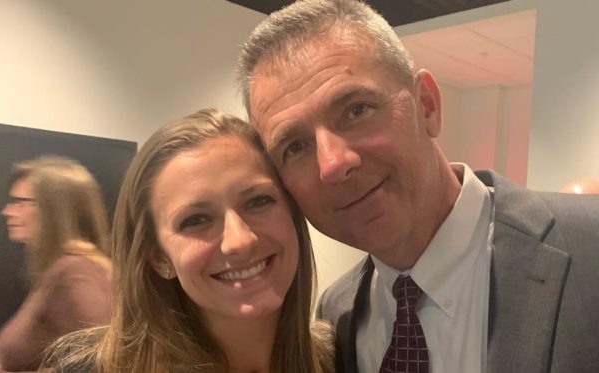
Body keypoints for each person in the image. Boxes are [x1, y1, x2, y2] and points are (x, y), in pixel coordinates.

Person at [237, 0, 599, 372]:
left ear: (426, 106)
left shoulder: (590, 245)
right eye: (295, 147)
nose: (333, 164)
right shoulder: (336, 316)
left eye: (356, 110)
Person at [42, 109, 334, 373]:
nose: (240, 241)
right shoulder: (89, 369)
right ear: (158, 257)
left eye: (258, 201)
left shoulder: (337, 356)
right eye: (196, 220)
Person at [0, 156, 112, 371]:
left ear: (54, 210)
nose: (8, 211)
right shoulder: (62, 268)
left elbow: (109, 359)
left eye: (21, 202)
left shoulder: (76, 270)